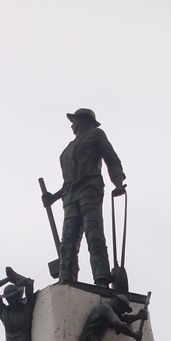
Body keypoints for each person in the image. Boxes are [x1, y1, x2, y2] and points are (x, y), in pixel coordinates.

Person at [42, 108, 126, 287]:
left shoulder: (96, 135)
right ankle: (66, 279)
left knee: (93, 234)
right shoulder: (66, 151)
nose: (72, 124)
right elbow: (67, 182)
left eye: (74, 120)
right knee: (68, 242)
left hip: (90, 190)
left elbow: (111, 159)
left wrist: (118, 182)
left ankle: (101, 278)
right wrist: (53, 197)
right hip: (70, 196)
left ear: (82, 121)